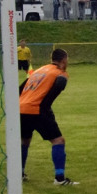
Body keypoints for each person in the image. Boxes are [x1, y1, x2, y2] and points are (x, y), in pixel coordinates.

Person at [19, 48, 76, 185]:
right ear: (63, 60)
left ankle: (19, 173)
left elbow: (20, 88)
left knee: (25, 140)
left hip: (21, 108)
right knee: (58, 141)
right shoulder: (60, 72)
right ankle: (59, 178)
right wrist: (45, 105)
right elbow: (61, 83)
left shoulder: (39, 70)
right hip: (37, 109)